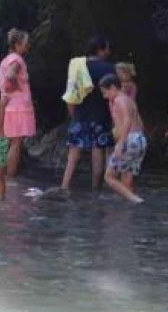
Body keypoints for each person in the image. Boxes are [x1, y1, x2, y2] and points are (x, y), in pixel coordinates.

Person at [60, 36, 116, 190]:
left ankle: (64, 186)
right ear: (100, 50)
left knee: (74, 153)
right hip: (100, 116)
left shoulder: (77, 65)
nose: (109, 52)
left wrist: (74, 116)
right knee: (98, 151)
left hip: (80, 114)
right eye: (107, 48)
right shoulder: (108, 68)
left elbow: (70, 94)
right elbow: (113, 96)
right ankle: (95, 188)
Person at [99, 74, 146, 204]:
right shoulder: (130, 100)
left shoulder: (120, 100)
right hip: (139, 139)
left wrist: (121, 142)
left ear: (113, 87)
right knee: (127, 177)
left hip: (129, 139)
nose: (104, 96)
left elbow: (127, 120)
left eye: (105, 92)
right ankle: (127, 210)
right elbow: (140, 123)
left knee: (109, 176)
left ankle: (136, 200)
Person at [0, 28, 36, 178]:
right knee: (16, 143)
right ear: (18, 44)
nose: (28, 46)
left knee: (7, 141)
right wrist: (17, 87)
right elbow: (10, 75)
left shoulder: (5, 59)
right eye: (26, 43)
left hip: (9, 105)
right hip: (18, 106)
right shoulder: (17, 59)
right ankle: (10, 178)